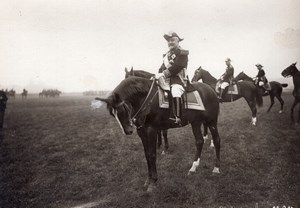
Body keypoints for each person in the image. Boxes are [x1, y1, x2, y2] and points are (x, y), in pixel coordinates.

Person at [155, 31, 189, 125]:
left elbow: (177, 67)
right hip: (167, 80)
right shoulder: (166, 55)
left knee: (175, 90)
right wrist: (157, 75)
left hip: (179, 80)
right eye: (169, 41)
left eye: (172, 40)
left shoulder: (182, 53)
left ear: (178, 41)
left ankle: (177, 117)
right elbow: (162, 67)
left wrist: (163, 74)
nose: (170, 42)